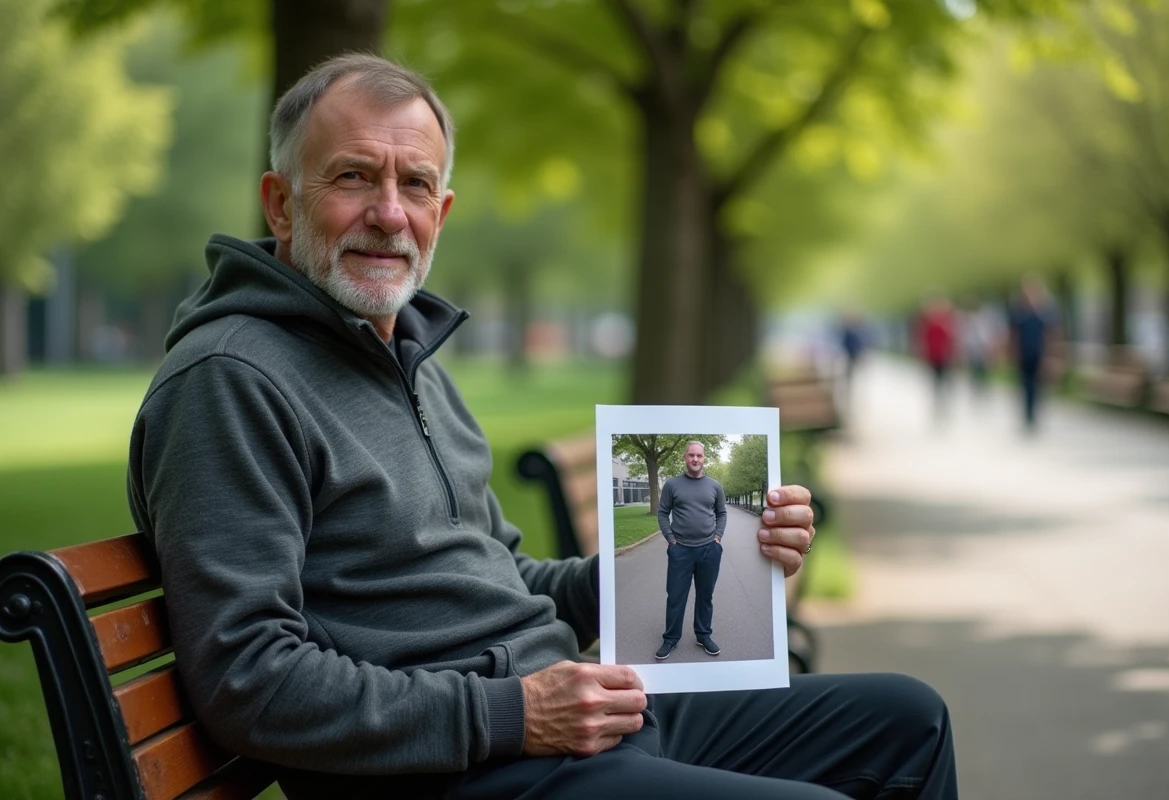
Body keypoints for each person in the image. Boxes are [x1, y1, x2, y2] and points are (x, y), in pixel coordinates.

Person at [127, 54, 957, 799]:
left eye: (414, 184)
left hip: (573, 721)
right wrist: (511, 714)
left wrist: (720, 548)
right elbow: (248, 677)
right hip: (464, 768)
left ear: (441, 212)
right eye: (352, 177)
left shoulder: (412, 361)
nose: (388, 212)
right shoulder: (229, 381)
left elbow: (509, 581)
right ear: (280, 204)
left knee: (910, 720)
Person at [654, 441, 727, 660]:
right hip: (681, 551)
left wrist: (717, 538)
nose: (695, 459)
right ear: (685, 458)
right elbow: (662, 512)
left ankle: (703, 635)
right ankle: (670, 638)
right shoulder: (672, 484)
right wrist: (671, 539)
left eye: (699, 456)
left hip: (708, 549)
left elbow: (721, 513)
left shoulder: (715, 486)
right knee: (676, 597)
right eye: (691, 455)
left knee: (705, 596)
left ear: (704, 458)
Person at [1009, 275, 1057, 431]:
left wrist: (1049, 357)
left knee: (1038, 387)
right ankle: (1027, 415)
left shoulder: (1044, 314)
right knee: (1025, 385)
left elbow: (1050, 336)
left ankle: (1034, 414)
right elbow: (1014, 335)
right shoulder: (1020, 314)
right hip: (1024, 355)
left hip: (1039, 355)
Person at [914, 295, 957, 423]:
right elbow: (921, 339)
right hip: (932, 356)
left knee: (944, 381)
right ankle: (938, 405)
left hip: (944, 356)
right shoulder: (926, 323)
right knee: (936, 382)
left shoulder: (947, 321)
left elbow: (952, 340)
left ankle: (944, 405)